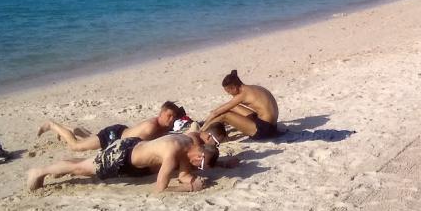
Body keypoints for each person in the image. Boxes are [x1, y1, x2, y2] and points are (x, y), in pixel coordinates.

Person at [26, 132, 218, 192]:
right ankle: (39, 171)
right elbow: (160, 189)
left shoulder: (187, 144)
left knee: (85, 164)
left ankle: (57, 167)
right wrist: (190, 189)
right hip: (122, 155)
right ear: (199, 156)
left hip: (132, 146)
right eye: (199, 165)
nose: (197, 168)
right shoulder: (174, 151)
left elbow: (184, 174)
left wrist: (192, 181)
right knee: (82, 169)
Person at [38, 101, 185, 152]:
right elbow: (142, 145)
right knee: (75, 146)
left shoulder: (163, 126)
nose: (171, 120)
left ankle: (70, 129)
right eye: (168, 116)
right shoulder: (151, 127)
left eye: (173, 117)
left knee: (89, 138)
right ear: (160, 114)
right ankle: (52, 125)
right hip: (113, 137)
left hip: (120, 131)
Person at [203, 69, 281, 140]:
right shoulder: (253, 88)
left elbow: (215, 113)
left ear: (234, 88)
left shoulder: (243, 95)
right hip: (272, 126)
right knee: (233, 107)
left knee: (225, 115)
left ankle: (202, 133)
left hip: (264, 130)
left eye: (229, 92)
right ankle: (219, 130)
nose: (229, 94)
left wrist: (203, 126)